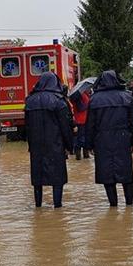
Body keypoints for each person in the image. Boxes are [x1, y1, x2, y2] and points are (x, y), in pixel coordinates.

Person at [85, 70, 133, 207]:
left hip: (102, 140)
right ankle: (129, 205)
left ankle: (113, 204)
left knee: (107, 173)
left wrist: (89, 144)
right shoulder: (127, 97)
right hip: (123, 139)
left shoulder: (94, 100)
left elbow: (90, 125)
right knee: (126, 172)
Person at [25, 72, 75, 208]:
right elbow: (65, 127)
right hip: (55, 144)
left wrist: (30, 145)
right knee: (57, 178)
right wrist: (70, 146)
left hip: (36, 146)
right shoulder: (59, 101)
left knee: (37, 177)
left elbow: (27, 127)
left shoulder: (30, 101)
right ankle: (57, 206)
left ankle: (38, 205)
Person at [72, 88, 91, 160]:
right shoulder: (78, 96)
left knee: (84, 137)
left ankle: (85, 155)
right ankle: (79, 156)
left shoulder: (85, 95)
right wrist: (88, 104)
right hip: (80, 121)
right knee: (79, 138)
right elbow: (80, 108)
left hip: (85, 120)